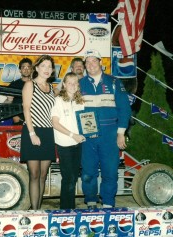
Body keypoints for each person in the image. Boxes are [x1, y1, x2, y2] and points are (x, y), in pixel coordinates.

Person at [79, 49, 131, 209]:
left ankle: (108, 203)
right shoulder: (79, 84)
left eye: (94, 61)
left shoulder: (114, 82)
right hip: (87, 136)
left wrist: (121, 133)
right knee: (88, 172)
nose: (91, 64)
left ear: (101, 63)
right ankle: (91, 201)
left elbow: (125, 109)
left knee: (110, 171)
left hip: (109, 135)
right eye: (87, 62)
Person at [20, 55, 56, 210]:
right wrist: (32, 134)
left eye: (49, 66)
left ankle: (38, 208)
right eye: (43, 66)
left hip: (48, 133)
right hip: (33, 131)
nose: (47, 69)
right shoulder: (30, 85)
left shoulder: (52, 89)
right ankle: (34, 212)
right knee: (34, 174)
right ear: (37, 68)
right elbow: (26, 109)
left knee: (43, 175)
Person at [51, 72, 86, 209]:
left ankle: (69, 209)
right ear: (64, 85)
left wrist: (88, 133)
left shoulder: (81, 101)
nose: (72, 85)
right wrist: (73, 135)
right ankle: (66, 210)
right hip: (64, 144)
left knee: (74, 178)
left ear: (78, 85)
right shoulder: (58, 100)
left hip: (78, 144)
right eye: (69, 83)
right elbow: (55, 123)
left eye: (75, 83)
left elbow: (85, 121)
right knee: (68, 179)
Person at [8, 58, 33, 125]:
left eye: (28, 67)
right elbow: (8, 102)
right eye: (23, 67)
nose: (26, 70)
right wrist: (14, 116)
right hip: (18, 119)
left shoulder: (36, 84)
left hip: (33, 119)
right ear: (20, 70)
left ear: (31, 70)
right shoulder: (14, 85)